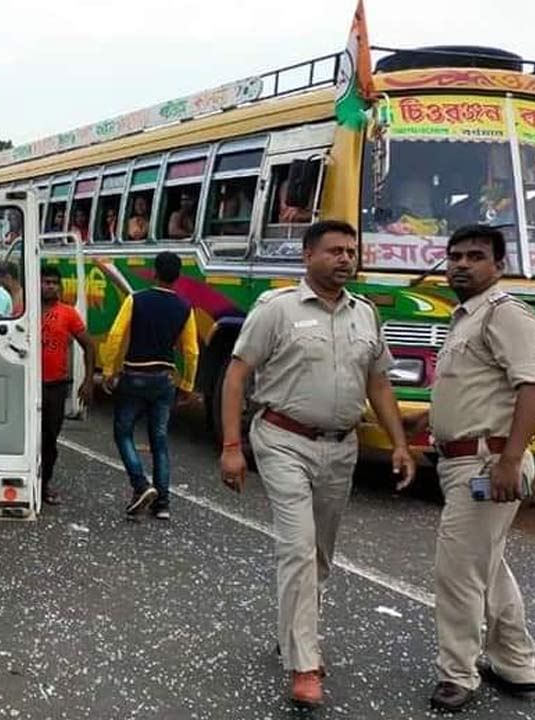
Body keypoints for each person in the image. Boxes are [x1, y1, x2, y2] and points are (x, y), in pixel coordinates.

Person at [219, 220, 415, 708]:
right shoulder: (277, 310)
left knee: (320, 554)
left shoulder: (365, 314)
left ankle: (293, 631)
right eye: (334, 251)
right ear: (308, 255)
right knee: (298, 549)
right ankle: (304, 663)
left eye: (351, 251)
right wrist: (230, 446)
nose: (345, 259)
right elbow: (236, 375)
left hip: (341, 448)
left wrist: (399, 443)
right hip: (283, 440)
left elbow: (379, 384)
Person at [416, 225, 535, 713]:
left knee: (458, 573)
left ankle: (458, 675)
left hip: (488, 462)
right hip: (462, 460)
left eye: (475, 256)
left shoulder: (506, 313)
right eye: (454, 256)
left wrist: (510, 461)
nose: (461, 264)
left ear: (499, 266)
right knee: (488, 567)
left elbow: (532, 386)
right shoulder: (466, 317)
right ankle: (515, 664)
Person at [99, 251, 198, 521]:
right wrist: (187, 384)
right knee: (160, 440)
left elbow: (117, 335)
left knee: (123, 432)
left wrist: (109, 370)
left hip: (134, 375)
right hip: (164, 379)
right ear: (178, 277)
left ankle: (141, 485)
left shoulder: (136, 299)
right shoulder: (184, 307)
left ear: (154, 272)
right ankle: (163, 503)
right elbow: (191, 351)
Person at [39, 265, 94, 505]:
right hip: (29, 386)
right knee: (29, 438)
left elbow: (89, 346)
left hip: (55, 386)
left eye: (53, 282)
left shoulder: (68, 313)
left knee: (50, 438)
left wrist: (89, 380)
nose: (49, 286)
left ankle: (44, 484)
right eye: (45, 281)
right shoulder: (24, 310)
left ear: (59, 287)